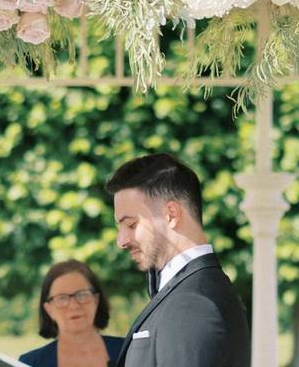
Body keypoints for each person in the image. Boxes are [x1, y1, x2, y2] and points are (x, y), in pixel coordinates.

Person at [106, 154, 250, 367]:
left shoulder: (193, 304)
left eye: (131, 224)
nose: (121, 240)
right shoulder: (193, 292)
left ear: (171, 215)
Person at [19, 260, 124, 367]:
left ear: (96, 300)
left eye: (82, 295)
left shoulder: (129, 350)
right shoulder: (28, 363)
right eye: (62, 298)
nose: (74, 306)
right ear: (49, 309)